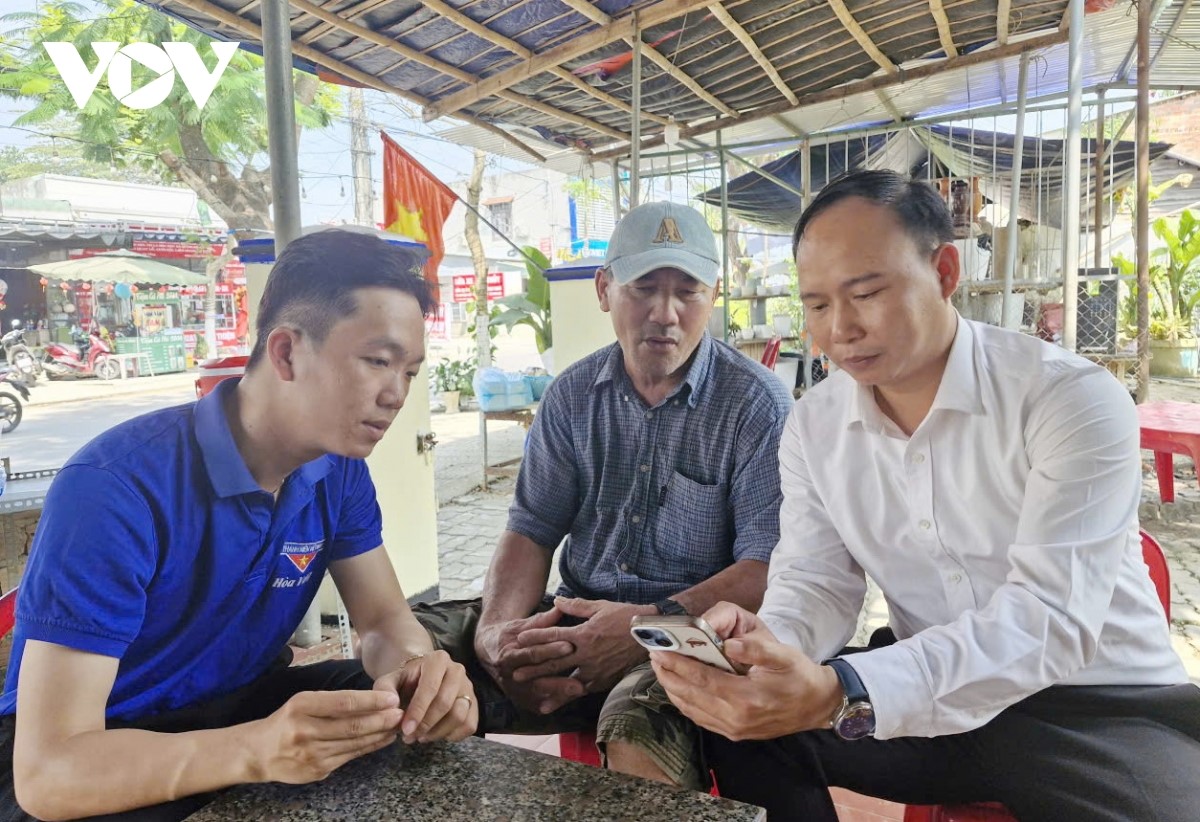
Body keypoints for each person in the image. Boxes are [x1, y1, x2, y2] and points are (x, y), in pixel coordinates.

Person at [653, 170, 1200, 821]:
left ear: (944, 271)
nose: (840, 330)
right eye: (818, 305)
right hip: (928, 700)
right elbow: (817, 581)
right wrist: (773, 650)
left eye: (867, 293)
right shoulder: (816, 425)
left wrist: (844, 691)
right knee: (740, 725)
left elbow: (1049, 620)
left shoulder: (1069, 398)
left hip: (1096, 707)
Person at [0, 229, 478, 822]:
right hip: (103, 740)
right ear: (285, 352)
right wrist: (255, 750)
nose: (396, 394)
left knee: (398, 714)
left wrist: (415, 675)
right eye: (378, 361)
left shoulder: (337, 470)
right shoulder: (115, 486)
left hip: (237, 703)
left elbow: (382, 621)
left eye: (409, 371)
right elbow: (49, 775)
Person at [413, 201, 793, 790]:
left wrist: (643, 627)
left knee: (634, 726)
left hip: (687, 637)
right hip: (574, 617)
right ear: (604, 289)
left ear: (713, 299)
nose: (665, 313)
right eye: (644, 288)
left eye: (687, 291)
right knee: (415, 660)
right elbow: (532, 527)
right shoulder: (571, 396)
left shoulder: (755, 407)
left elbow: (766, 567)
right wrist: (496, 639)